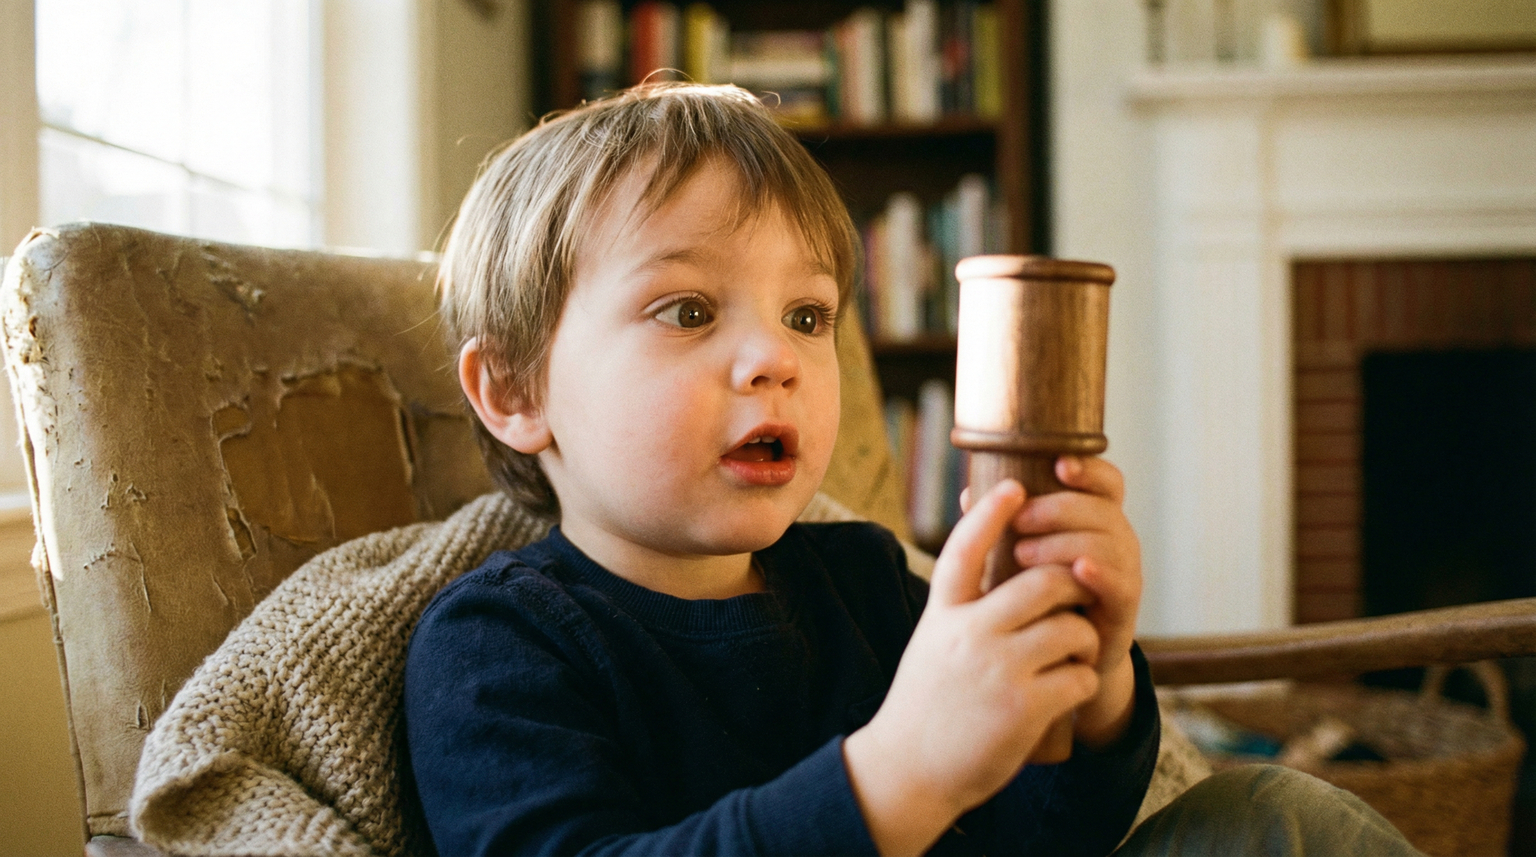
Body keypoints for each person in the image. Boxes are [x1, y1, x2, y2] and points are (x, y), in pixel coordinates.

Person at [404, 82, 1423, 857]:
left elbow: (1040, 838)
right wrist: (897, 770)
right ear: (515, 391)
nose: (778, 358)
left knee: (1278, 810)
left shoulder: (863, 581)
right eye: (689, 310)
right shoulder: (498, 644)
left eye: (807, 316)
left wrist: (1090, 688)